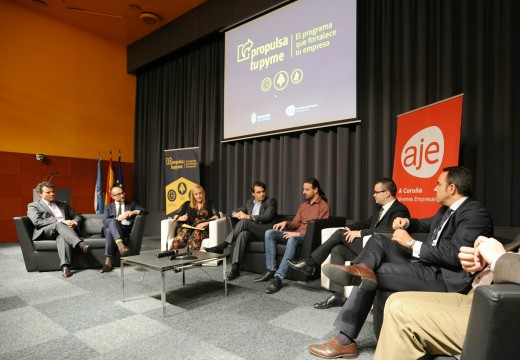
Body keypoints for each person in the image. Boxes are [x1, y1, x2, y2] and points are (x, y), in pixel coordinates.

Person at [308, 166, 493, 359]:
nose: (434, 188)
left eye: (438, 184)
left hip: (444, 277)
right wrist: (405, 222)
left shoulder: (474, 213)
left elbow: (454, 256)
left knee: (375, 274)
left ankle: (344, 341)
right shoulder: (445, 212)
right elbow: (422, 223)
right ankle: (361, 268)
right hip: (426, 266)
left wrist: (411, 243)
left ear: (452, 188)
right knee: (378, 240)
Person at [374, 234, 520, 359]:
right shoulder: (442, 214)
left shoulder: (473, 214)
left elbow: (450, 255)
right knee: (395, 299)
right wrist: (483, 265)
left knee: (401, 313)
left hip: (500, 311)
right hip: (476, 292)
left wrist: (499, 259)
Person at [288, 178, 410, 309]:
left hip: (381, 252)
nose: (373, 194)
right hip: (368, 247)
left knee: (340, 234)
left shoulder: (400, 210)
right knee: (338, 249)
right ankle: (338, 295)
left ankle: (310, 263)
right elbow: (366, 223)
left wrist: (360, 233)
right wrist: (351, 228)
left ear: (386, 193)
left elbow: (388, 231)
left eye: (376, 192)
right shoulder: (381, 210)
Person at [255, 177, 331, 294]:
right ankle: (271, 269)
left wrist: (298, 233)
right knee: (269, 233)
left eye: (306, 189)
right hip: (298, 233)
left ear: (315, 190)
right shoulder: (303, 206)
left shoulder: (324, 206)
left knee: (292, 239)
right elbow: (296, 223)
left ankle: (278, 278)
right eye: (303, 189)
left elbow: (318, 230)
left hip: (307, 237)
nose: (303, 192)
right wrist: (286, 223)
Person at [204, 181, 277, 280]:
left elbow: (267, 217)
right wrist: (235, 214)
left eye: (263, 191)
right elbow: (235, 210)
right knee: (243, 234)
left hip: (265, 231)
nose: (262, 194)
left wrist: (248, 216)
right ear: (253, 194)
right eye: (258, 192)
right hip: (252, 232)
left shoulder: (271, 201)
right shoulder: (249, 202)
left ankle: (224, 245)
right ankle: (235, 268)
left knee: (244, 222)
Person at [27, 181, 89, 278]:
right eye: (48, 192)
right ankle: (79, 244)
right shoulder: (33, 205)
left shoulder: (62, 204)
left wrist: (74, 223)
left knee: (62, 236)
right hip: (47, 231)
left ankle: (65, 267)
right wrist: (63, 222)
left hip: (64, 232)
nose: (52, 194)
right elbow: (37, 222)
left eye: (53, 191)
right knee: (58, 225)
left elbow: (77, 215)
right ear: (40, 194)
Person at [100, 186, 149, 273]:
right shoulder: (108, 207)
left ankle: (108, 262)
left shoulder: (131, 204)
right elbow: (105, 221)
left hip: (124, 229)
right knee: (112, 223)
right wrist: (118, 218)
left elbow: (145, 211)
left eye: (123, 193)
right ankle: (121, 247)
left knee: (109, 231)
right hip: (112, 228)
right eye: (119, 194)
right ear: (113, 196)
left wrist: (133, 212)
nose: (122, 195)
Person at [168, 185, 220, 251]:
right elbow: (175, 216)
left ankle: (189, 256)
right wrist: (182, 218)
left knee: (197, 233)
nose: (198, 196)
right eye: (196, 194)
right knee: (183, 234)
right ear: (193, 195)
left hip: (202, 229)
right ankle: (172, 253)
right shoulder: (187, 204)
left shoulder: (210, 204)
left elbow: (216, 216)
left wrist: (205, 223)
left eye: (200, 193)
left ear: (203, 193)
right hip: (188, 228)